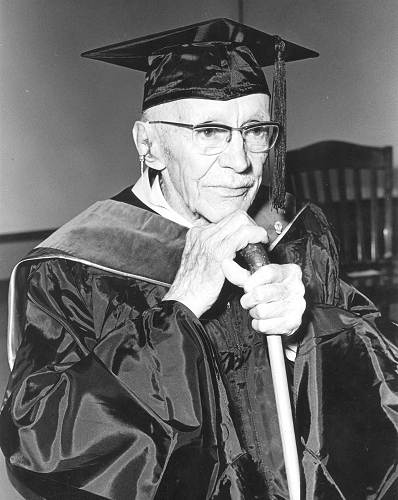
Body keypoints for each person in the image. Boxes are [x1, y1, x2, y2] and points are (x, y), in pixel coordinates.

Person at [0, 18, 397, 500]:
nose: (240, 161)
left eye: (255, 130)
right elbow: (37, 442)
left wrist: (307, 327)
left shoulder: (295, 231)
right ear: (149, 146)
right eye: (209, 131)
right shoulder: (73, 269)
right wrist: (179, 310)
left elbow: (382, 378)